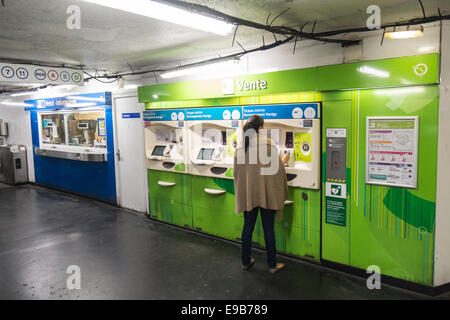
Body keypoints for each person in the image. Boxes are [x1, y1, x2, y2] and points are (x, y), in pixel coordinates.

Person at [234, 115, 290, 274]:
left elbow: (238, 175)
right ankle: (272, 265)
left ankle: (245, 262)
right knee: (268, 229)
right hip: (267, 194)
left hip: (250, 195)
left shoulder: (240, 148)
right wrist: (284, 160)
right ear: (261, 128)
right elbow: (278, 172)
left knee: (248, 227)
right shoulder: (269, 145)